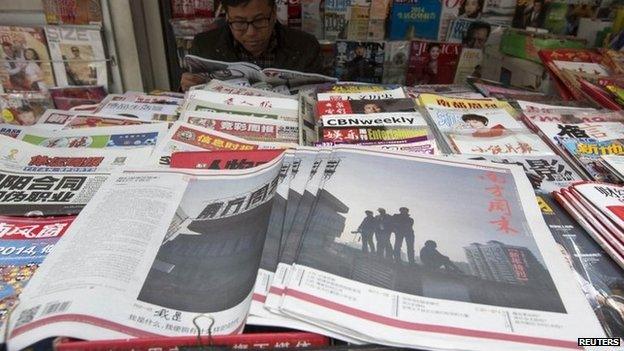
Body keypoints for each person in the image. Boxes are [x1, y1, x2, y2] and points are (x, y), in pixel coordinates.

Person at [180, 0, 322, 91]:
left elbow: (320, 95)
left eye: (259, 20)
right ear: (228, 17)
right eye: (239, 23)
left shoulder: (305, 46)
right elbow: (190, 100)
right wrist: (187, 86)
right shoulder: (204, 45)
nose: (250, 33)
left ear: (274, 14)